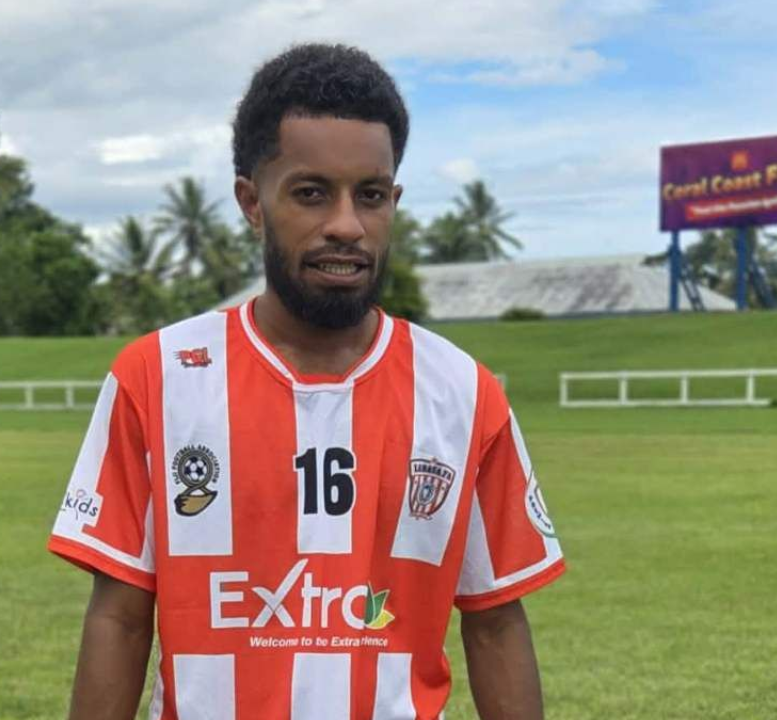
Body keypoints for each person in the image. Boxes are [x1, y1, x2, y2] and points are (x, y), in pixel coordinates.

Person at [48, 42, 565, 720]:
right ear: (252, 202)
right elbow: (120, 616)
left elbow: (495, 621)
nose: (346, 225)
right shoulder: (157, 376)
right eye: (311, 193)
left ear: (393, 201)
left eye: (370, 196)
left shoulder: (463, 392)